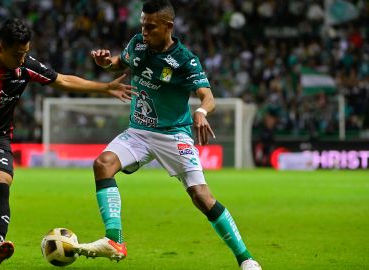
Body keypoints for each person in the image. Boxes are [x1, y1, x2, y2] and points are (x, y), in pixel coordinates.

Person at [0, 18, 135, 269]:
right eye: (17, 54)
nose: (22, 59)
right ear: (0, 48)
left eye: (26, 53)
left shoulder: (25, 67)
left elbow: (62, 80)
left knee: (0, 183)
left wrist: (105, 87)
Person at [74, 1, 262, 270]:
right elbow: (121, 63)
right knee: (103, 164)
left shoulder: (185, 60)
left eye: (150, 27)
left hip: (173, 134)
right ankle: (114, 240)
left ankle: (246, 258)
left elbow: (207, 97)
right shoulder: (138, 43)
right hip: (138, 131)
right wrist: (107, 63)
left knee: (201, 197)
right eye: (142, 25)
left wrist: (202, 113)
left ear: (168, 26)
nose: (145, 31)